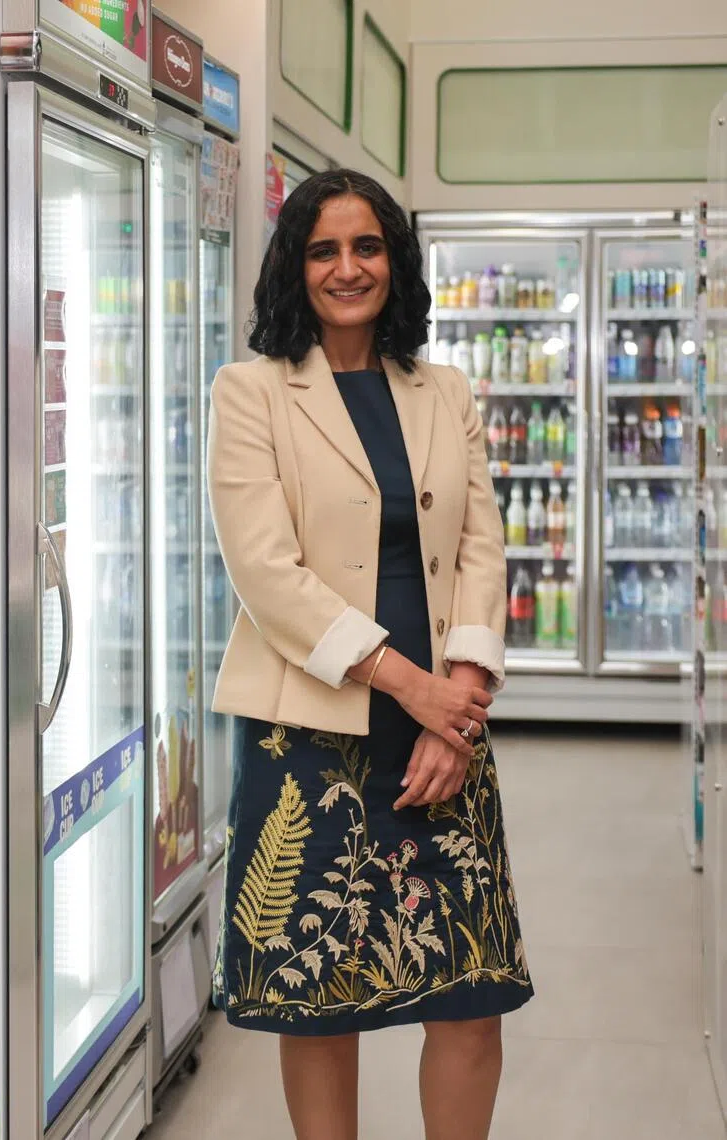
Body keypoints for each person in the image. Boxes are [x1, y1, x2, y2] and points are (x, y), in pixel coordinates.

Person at [207, 169, 533, 1140]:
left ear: (395, 258)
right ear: (295, 266)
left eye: (367, 246)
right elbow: (266, 573)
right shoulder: (252, 393)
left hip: (446, 733)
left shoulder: (445, 392)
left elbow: (482, 542)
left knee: (471, 993)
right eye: (324, 249)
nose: (348, 268)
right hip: (309, 736)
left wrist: (460, 700)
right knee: (320, 1002)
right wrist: (413, 688)